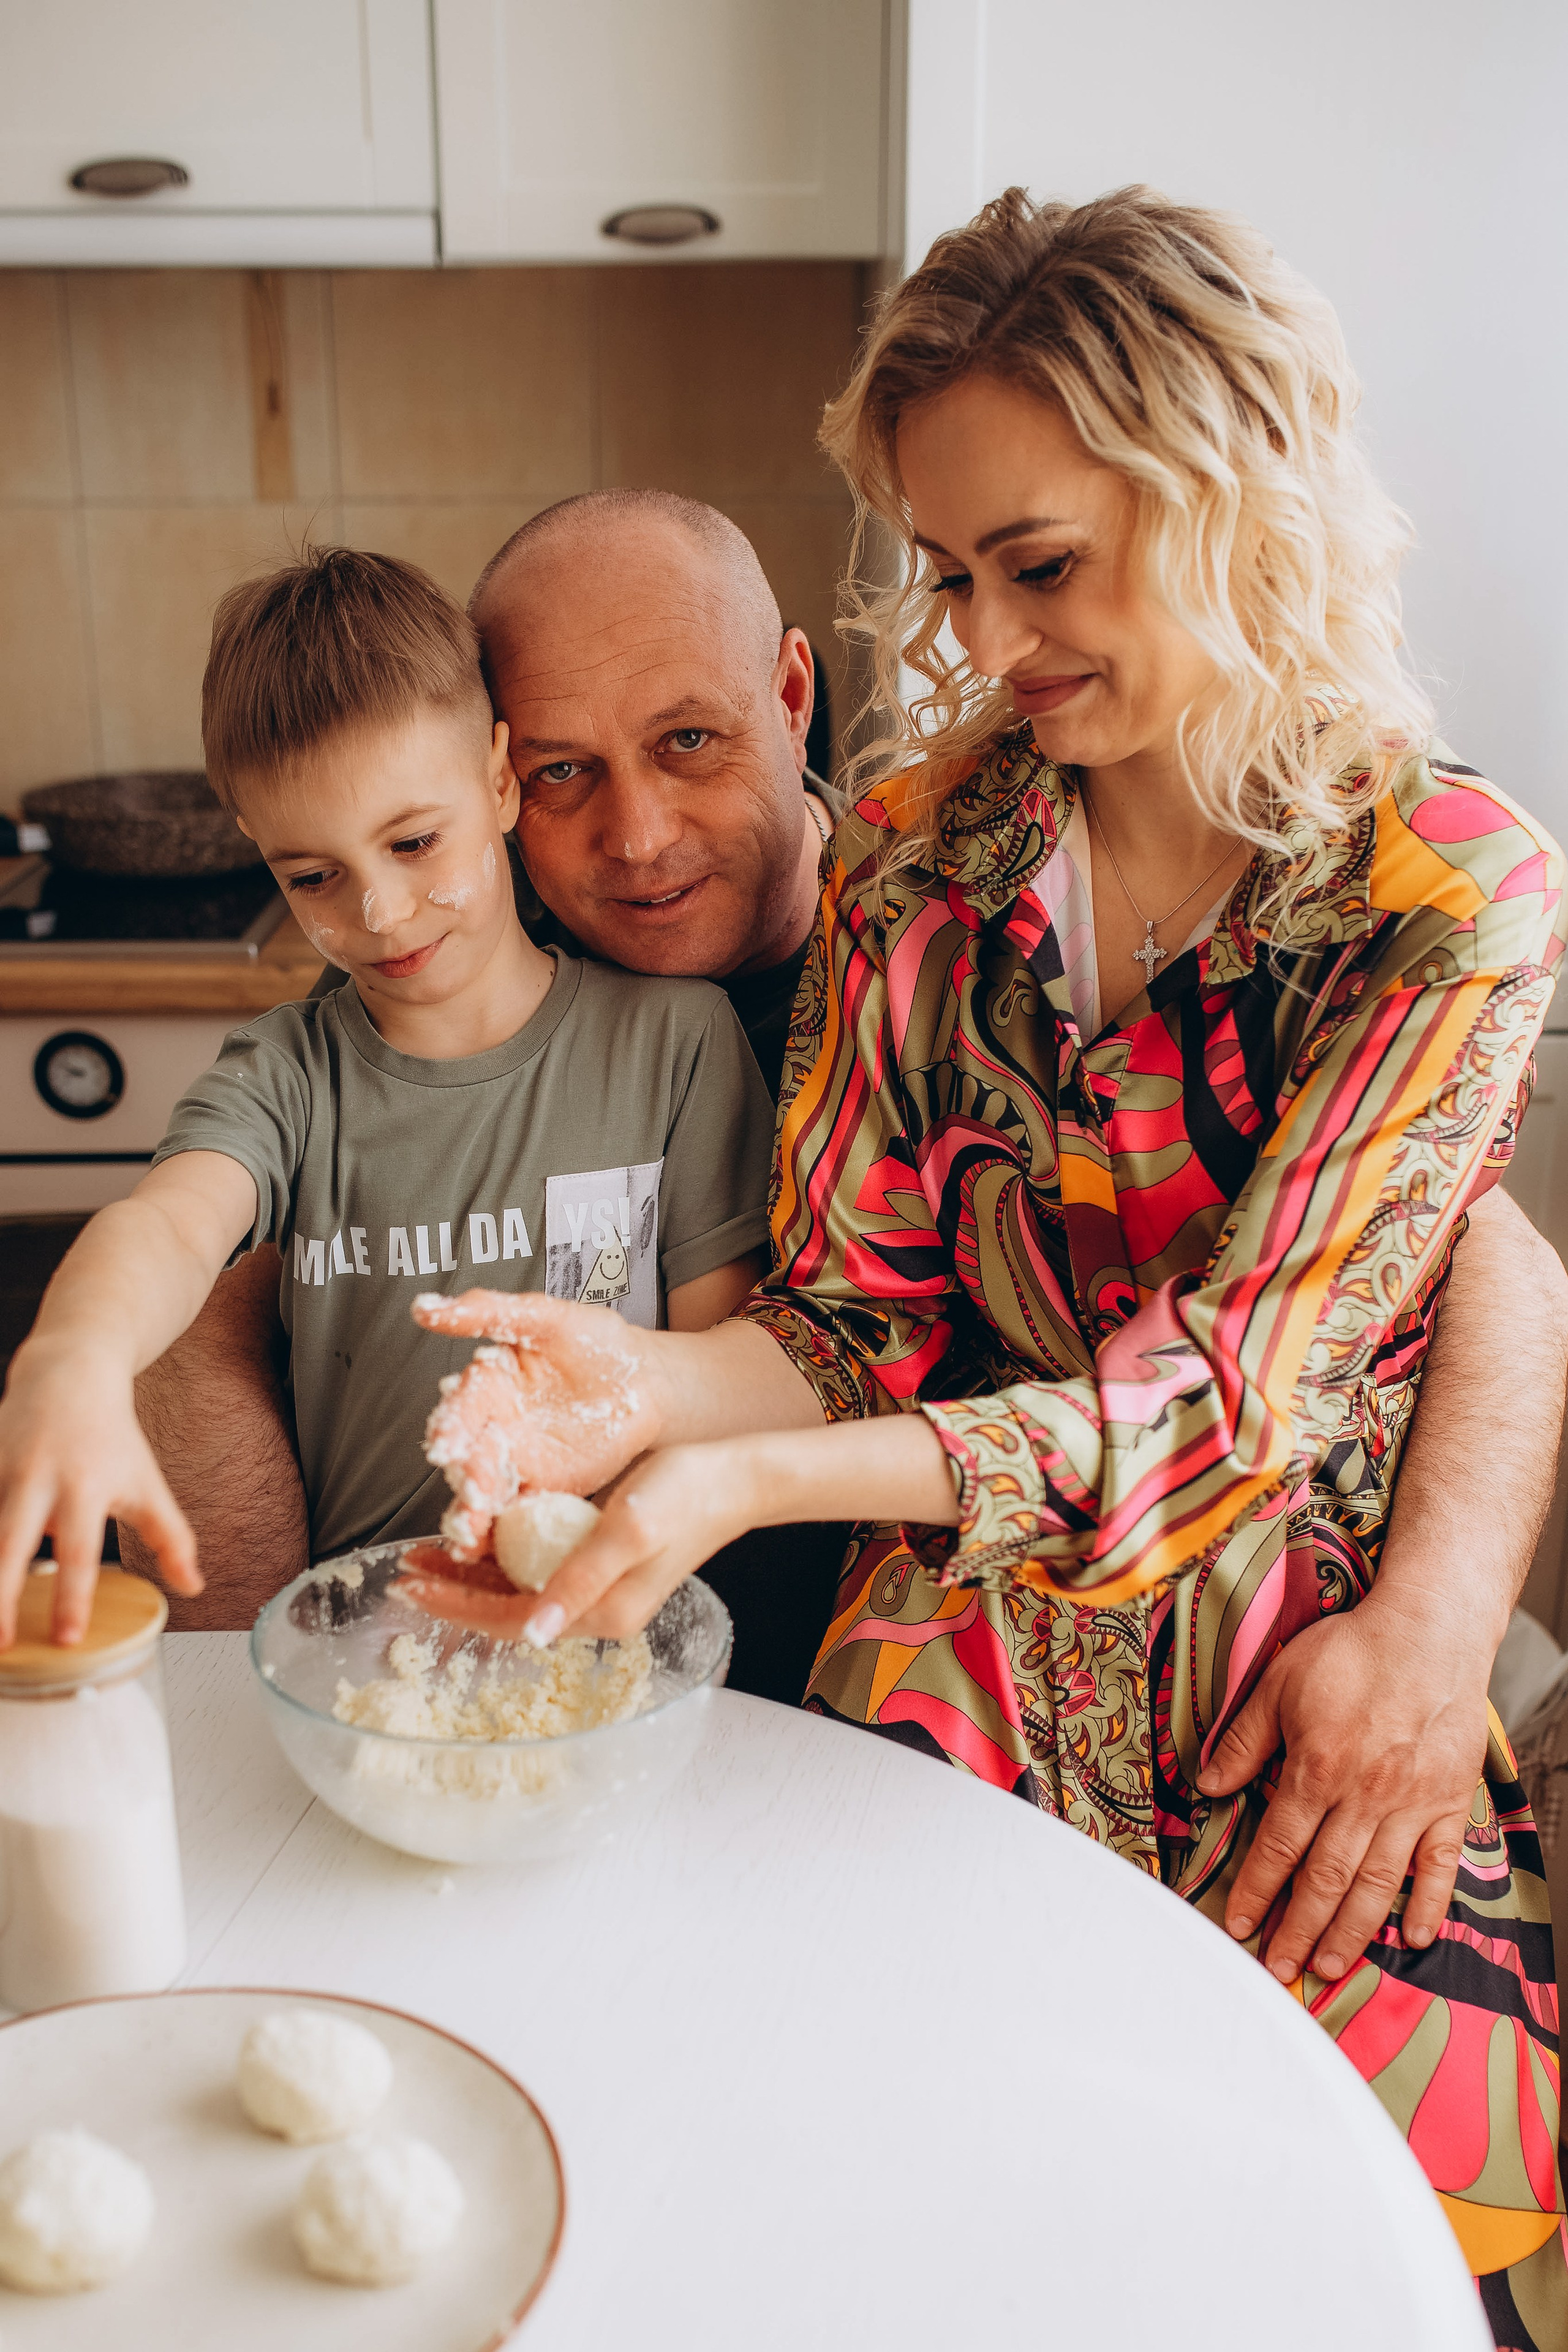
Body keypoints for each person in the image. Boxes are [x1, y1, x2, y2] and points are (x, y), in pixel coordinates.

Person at [393, 190, 1568, 2339]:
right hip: (943, 1700)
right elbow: (853, 1318)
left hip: (1293, 1726)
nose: (988, 637)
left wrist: (736, 1480)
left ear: (1237, 487)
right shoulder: (924, 847)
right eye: (948, 572)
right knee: (903, 2257)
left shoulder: (1446, 899)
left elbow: (1240, 1404)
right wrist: (649, 1396)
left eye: (1040, 564)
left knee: (1348, 2274)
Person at [0, 547, 773, 1643]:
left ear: (500, 781)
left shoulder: (674, 1044)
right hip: (353, 1656)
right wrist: (73, 1358)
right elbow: (171, 1225)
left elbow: (715, 1381)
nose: (379, 910)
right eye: (311, 874)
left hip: (599, 1636)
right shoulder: (285, 1075)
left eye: (414, 842)